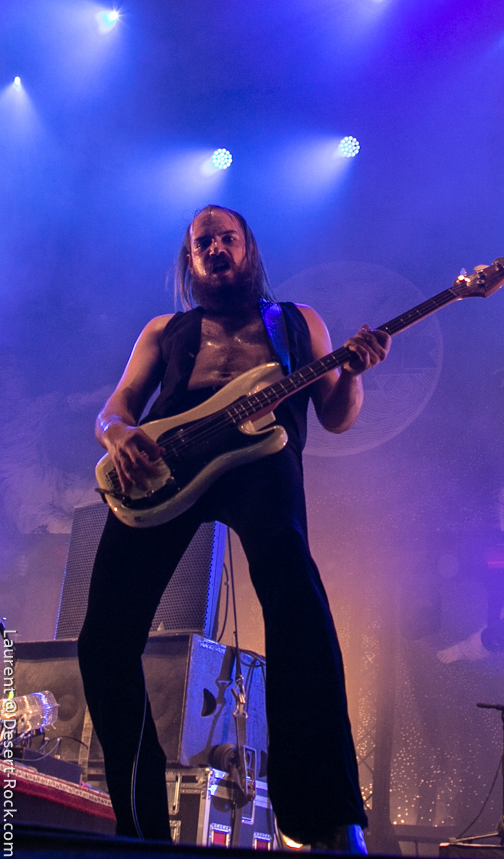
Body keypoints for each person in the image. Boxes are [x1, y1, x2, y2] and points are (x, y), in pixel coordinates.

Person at [77, 205, 391, 851]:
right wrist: (118, 435)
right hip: (167, 466)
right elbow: (116, 406)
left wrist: (354, 375)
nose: (217, 248)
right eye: (204, 243)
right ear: (190, 261)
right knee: (103, 640)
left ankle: (327, 819)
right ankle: (140, 830)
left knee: (299, 610)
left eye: (228, 238)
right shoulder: (164, 330)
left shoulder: (299, 322)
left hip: (262, 463)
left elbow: (336, 416)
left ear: (249, 250)